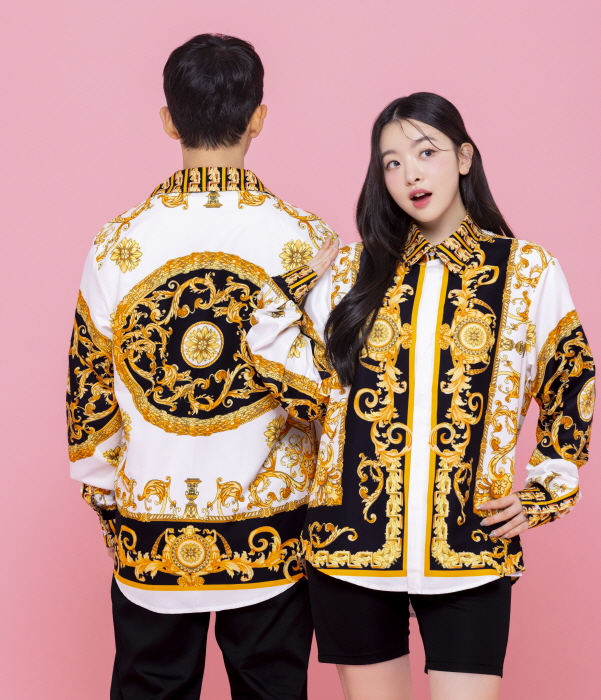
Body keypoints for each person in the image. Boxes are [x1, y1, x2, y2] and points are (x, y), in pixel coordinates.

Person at [246, 92, 595, 700]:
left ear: (464, 158)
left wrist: (547, 488)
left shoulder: (527, 271)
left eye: (425, 152)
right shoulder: (350, 273)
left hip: (470, 546)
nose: (409, 173)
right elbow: (291, 380)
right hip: (350, 547)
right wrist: (297, 286)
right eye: (391, 162)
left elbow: (571, 376)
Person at [66, 33, 338, 700]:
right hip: (275, 526)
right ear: (258, 118)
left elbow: (87, 391)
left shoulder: (116, 243)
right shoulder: (309, 241)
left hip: (150, 522)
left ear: (169, 119)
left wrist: (111, 503)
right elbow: (332, 391)